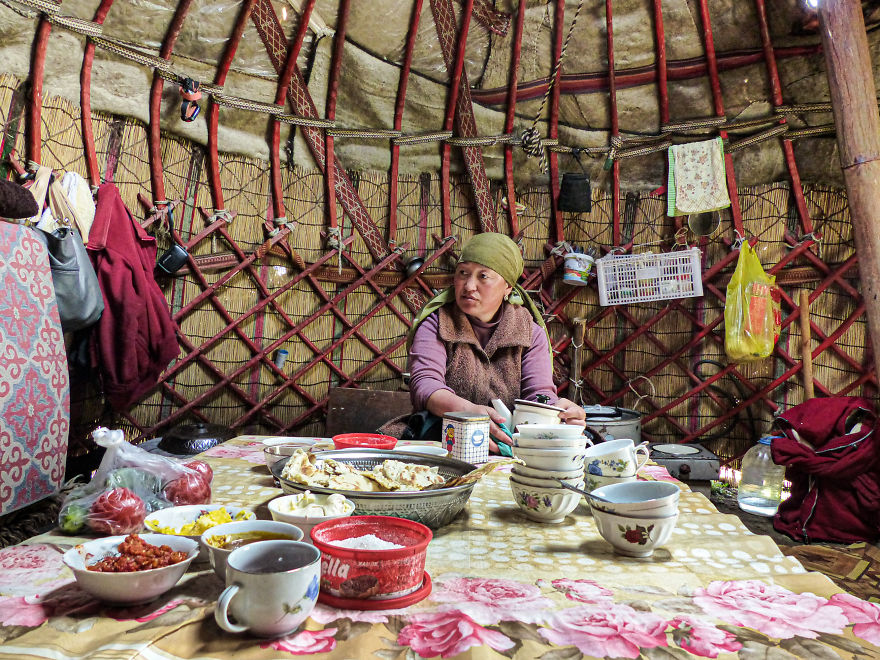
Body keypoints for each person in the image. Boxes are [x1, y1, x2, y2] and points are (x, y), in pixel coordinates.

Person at [395, 232, 585, 454]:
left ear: (507, 288)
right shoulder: (436, 324)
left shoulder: (530, 333)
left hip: (508, 440)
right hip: (442, 437)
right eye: (463, 273)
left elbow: (538, 394)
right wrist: (469, 414)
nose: (468, 286)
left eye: (483, 276)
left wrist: (558, 413)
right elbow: (425, 385)